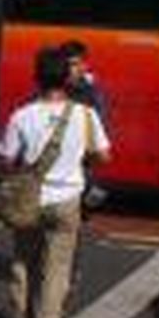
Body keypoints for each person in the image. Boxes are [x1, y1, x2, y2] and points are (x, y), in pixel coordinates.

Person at [0, 47, 110, 318]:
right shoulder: (85, 115)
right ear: (67, 79)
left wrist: (23, 169)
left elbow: (5, 160)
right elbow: (104, 155)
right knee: (56, 269)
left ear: (37, 78)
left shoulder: (22, 115)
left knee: (23, 262)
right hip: (66, 201)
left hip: (29, 201)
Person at [59, 40, 110, 209]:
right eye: (67, 65)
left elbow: (100, 126)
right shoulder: (51, 89)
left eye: (75, 64)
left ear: (84, 65)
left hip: (78, 166)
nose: (71, 69)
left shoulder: (92, 93)